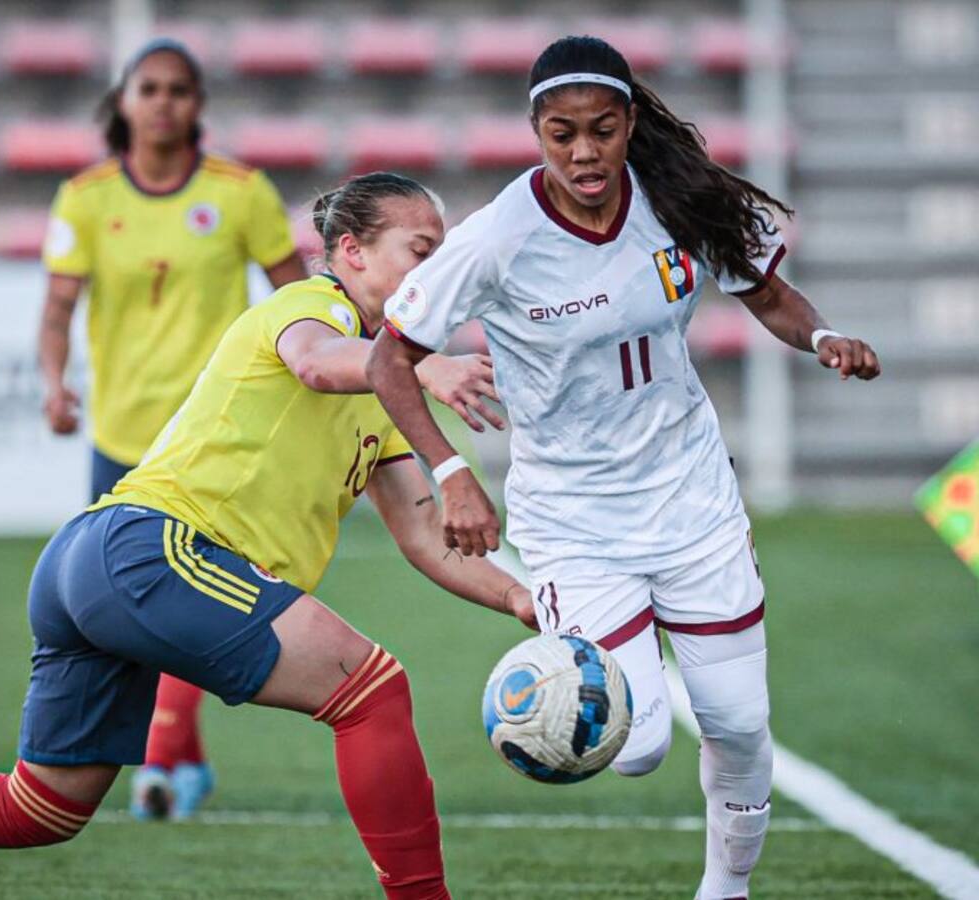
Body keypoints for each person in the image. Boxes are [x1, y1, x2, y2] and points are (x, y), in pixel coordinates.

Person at [0, 172, 536, 900]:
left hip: (98, 560)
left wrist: (522, 601)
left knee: (42, 807)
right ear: (351, 253)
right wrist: (424, 362)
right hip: (150, 549)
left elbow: (425, 532)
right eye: (421, 250)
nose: (435, 273)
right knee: (370, 690)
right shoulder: (314, 308)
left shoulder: (382, 388)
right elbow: (312, 364)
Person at [367, 36, 880, 900]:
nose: (583, 153)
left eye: (601, 130)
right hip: (575, 521)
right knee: (637, 747)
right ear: (535, 132)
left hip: (692, 502)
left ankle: (726, 889)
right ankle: (607, 662)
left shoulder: (679, 200)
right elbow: (390, 359)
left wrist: (823, 337)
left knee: (741, 724)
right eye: (561, 133)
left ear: (629, 123)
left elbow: (769, 296)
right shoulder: (499, 236)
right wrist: (453, 471)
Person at [37, 37, 306, 820]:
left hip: (214, 442)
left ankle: (158, 759)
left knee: (194, 608)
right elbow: (57, 309)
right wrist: (54, 385)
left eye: (179, 90)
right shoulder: (85, 198)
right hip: (121, 441)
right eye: (148, 88)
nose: (163, 102)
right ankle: (174, 762)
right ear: (123, 102)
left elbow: (299, 296)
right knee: (128, 621)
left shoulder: (241, 191)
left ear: (199, 105)